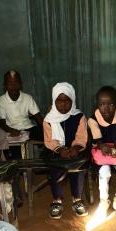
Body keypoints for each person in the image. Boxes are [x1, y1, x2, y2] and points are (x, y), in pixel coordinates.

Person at [43, 82, 89, 219]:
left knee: (78, 167)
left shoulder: (79, 116)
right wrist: (60, 149)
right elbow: (49, 141)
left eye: (67, 100)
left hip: (76, 150)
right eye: (59, 101)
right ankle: (57, 200)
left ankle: (77, 198)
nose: (63, 104)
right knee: (55, 168)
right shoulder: (48, 120)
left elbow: (81, 137)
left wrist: (75, 148)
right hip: (56, 151)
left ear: (72, 100)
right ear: (54, 101)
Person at [88, 86, 116, 217]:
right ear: (97, 104)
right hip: (101, 150)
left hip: (115, 149)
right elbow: (98, 141)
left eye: (110, 104)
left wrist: (115, 148)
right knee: (104, 171)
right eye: (102, 104)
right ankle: (104, 201)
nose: (106, 108)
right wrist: (103, 147)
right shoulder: (93, 119)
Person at [0, 70, 44, 144]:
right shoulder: (0, 101)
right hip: (10, 130)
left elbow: (39, 118)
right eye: (10, 83)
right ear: (5, 86)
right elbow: (1, 123)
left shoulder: (28, 98)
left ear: (21, 84)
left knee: (45, 135)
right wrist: (12, 131)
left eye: (16, 82)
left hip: (28, 129)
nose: (13, 85)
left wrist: (48, 130)